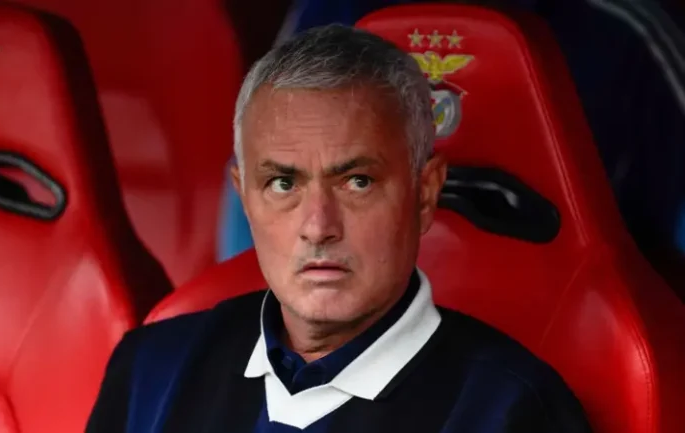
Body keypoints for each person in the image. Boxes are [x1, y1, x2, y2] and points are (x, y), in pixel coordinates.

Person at [85, 24, 592, 433]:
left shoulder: (511, 411)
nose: (318, 227)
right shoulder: (151, 369)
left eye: (357, 182)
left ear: (425, 193)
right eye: (283, 183)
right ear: (245, 197)